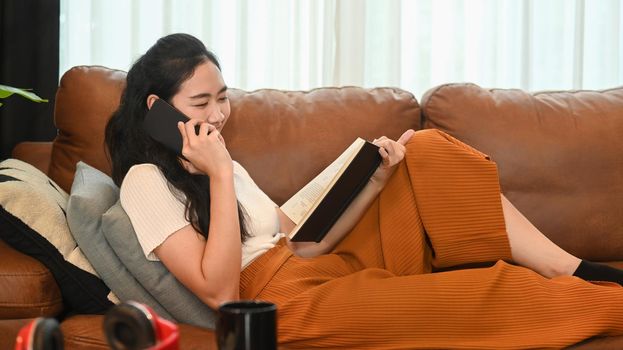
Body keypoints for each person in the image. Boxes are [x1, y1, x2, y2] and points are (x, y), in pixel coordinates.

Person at [105, 33, 623, 349]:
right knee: (486, 295)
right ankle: (601, 300)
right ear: (158, 109)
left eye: (223, 97)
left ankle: (566, 266)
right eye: (201, 103)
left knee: (425, 149)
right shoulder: (145, 183)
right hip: (281, 304)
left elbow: (301, 242)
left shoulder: (218, 156)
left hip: (312, 265)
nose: (218, 114)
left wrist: (374, 180)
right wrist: (218, 174)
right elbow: (221, 293)